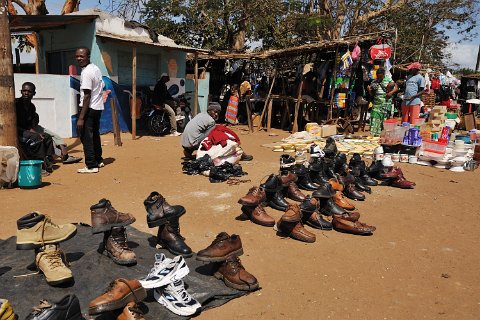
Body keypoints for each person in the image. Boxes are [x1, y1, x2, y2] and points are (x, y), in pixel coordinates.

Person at [181, 102, 253, 161]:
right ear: (209, 111)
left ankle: (188, 151)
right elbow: (212, 133)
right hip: (194, 143)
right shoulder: (211, 121)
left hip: (185, 143)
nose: (216, 114)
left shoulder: (201, 114)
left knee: (214, 129)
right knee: (218, 133)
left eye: (218, 112)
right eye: (215, 112)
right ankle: (240, 152)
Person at [75, 47, 104, 174]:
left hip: (89, 108)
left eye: (82, 56)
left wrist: (81, 117)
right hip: (97, 107)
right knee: (95, 135)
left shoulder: (86, 72)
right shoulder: (95, 68)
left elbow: (87, 95)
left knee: (87, 137)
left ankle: (91, 165)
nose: (79, 59)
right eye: (77, 56)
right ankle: (98, 160)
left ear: (88, 56)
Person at [15, 82, 55, 174]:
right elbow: (13, 124)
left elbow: (30, 125)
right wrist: (34, 134)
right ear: (21, 92)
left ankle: (48, 160)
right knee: (36, 138)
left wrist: (36, 133)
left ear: (34, 93)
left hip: (26, 131)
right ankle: (39, 167)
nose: (26, 93)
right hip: (16, 131)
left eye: (29, 91)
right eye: (24, 90)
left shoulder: (32, 107)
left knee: (47, 137)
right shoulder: (16, 104)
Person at [367, 68, 398, 136]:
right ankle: (374, 136)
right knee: (374, 119)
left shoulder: (389, 79)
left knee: (384, 122)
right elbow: (372, 94)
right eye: (378, 76)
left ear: (384, 75)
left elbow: (396, 87)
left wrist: (391, 93)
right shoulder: (374, 82)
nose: (379, 77)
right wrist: (369, 90)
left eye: (381, 76)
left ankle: (382, 137)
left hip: (386, 105)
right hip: (376, 105)